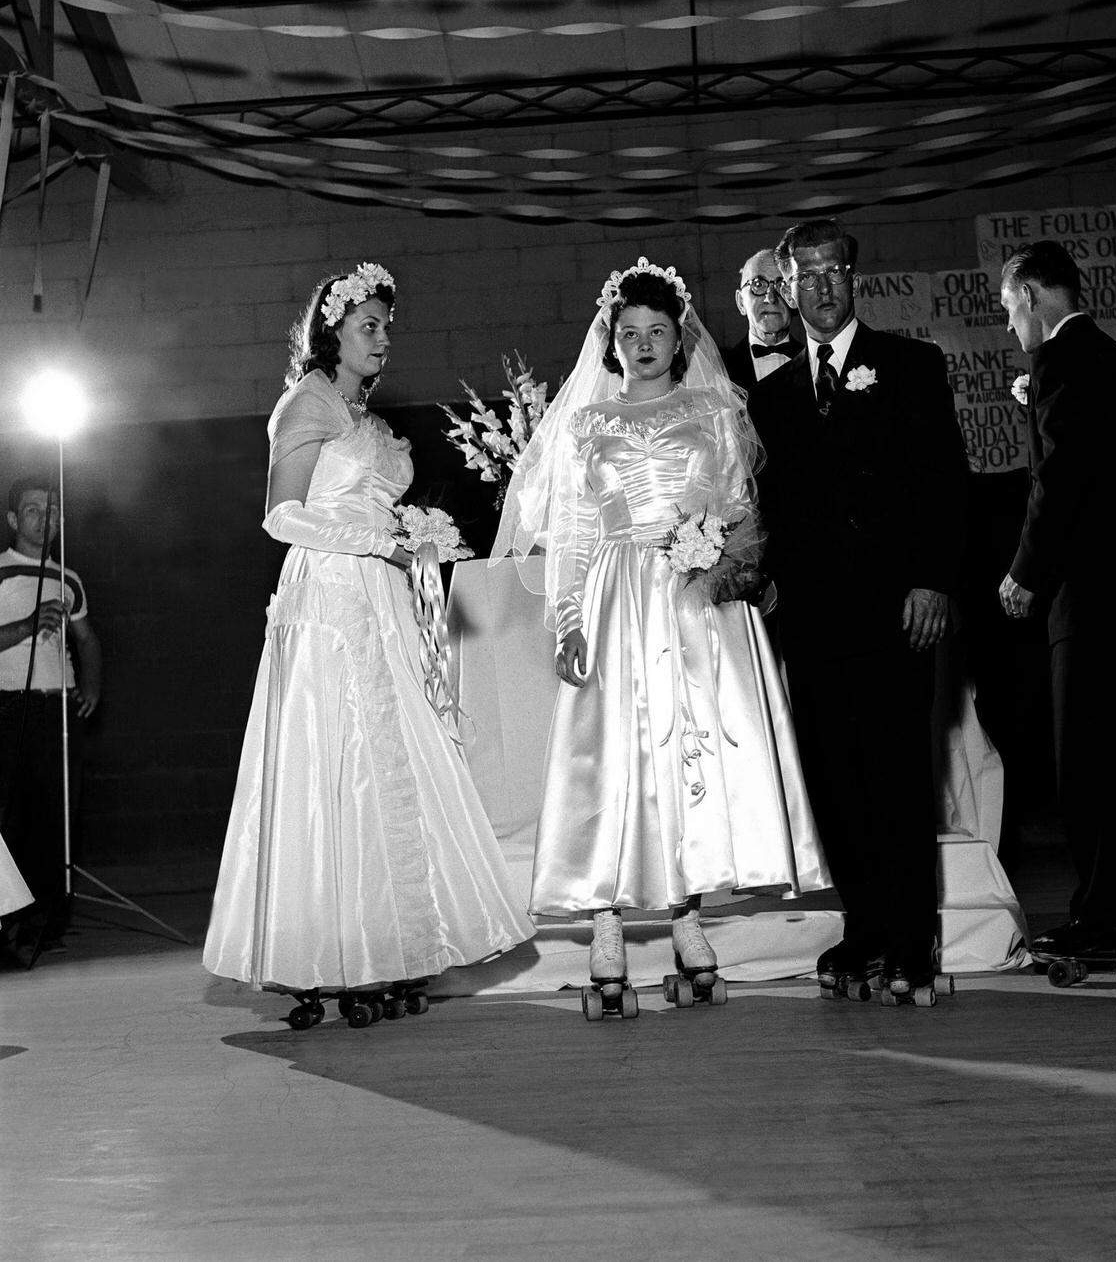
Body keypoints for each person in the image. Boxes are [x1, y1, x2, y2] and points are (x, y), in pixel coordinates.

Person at [492, 256, 828, 998]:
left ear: (681, 340)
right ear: (610, 341)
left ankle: (686, 914)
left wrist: (720, 563)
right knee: (612, 758)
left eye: (657, 331)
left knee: (689, 756)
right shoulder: (586, 422)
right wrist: (570, 619)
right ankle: (606, 920)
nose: (643, 343)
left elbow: (741, 508)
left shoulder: (713, 410)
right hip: (616, 599)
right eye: (629, 332)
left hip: (693, 596)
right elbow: (574, 533)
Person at [204, 263, 533, 997]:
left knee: (393, 765)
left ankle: (392, 947)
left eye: (388, 327)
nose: (385, 340)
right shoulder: (307, 402)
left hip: (384, 596)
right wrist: (380, 542)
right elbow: (281, 515)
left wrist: (412, 539)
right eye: (369, 328)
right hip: (328, 596)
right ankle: (327, 954)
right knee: (337, 761)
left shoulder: (374, 421)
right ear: (334, 333)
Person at [746, 218, 969, 1000]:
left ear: (855, 277)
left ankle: (912, 939)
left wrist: (934, 580)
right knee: (835, 785)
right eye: (805, 275)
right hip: (810, 625)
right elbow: (764, 511)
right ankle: (864, 928)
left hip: (898, 616)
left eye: (834, 271)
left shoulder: (910, 366)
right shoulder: (768, 400)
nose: (822, 286)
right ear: (786, 286)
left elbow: (945, 484)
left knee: (898, 779)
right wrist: (756, 578)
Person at [997, 239, 1116, 956]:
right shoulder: (1113, 359)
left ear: (1038, 300)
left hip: (1094, 601)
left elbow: (1062, 479)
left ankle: (1101, 917)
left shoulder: (1061, 361)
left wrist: (1023, 571)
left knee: (1087, 768)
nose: (1012, 331)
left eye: (1013, 313)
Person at [0, 477, 102, 956]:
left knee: (59, 815)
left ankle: (49, 921)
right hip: (9, 708)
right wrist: (25, 625)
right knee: (13, 815)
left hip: (57, 706)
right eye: (34, 510)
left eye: (53, 510)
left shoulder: (69, 578)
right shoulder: (1, 572)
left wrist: (92, 688)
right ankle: (12, 922)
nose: (46, 519)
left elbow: (87, 640)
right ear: (15, 520)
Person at [723, 248, 799, 392]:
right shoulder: (719, 369)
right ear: (740, 302)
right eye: (758, 285)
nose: (771, 298)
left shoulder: (817, 362)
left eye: (782, 285)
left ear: (794, 298)